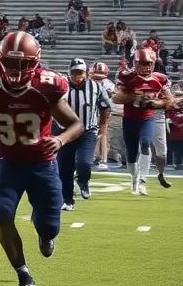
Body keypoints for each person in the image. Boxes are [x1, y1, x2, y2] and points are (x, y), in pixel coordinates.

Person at [0, 32, 81, 286]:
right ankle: (23, 275)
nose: (15, 71)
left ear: (35, 62)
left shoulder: (47, 87)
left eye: (21, 64)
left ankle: (44, 231)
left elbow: (75, 125)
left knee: (49, 226)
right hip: (8, 163)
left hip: (42, 163)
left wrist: (61, 140)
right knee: (2, 214)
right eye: (10, 63)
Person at [113, 48, 175, 195]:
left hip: (147, 118)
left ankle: (142, 179)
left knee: (146, 143)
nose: (145, 67)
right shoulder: (127, 77)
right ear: (135, 63)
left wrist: (157, 104)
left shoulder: (159, 79)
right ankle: (134, 177)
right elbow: (116, 98)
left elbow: (170, 100)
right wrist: (135, 98)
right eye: (142, 63)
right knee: (132, 154)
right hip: (129, 119)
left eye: (148, 63)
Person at [56, 59, 111, 210]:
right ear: (69, 72)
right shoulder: (62, 86)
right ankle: (67, 200)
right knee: (64, 167)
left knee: (84, 162)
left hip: (87, 131)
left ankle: (83, 181)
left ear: (85, 73)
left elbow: (105, 107)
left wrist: (103, 127)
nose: (76, 76)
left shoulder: (96, 87)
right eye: (74, 72)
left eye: (79, 72)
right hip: (66, 132)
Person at [88, 62, 115, 169]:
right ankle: (94, 157)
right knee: (92, 133)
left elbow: (111, 95)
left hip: (103, 111)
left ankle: (102, 158)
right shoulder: (88, 82)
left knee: (103, 133)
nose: (98, 79)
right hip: (91, 111)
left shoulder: (107, 83)